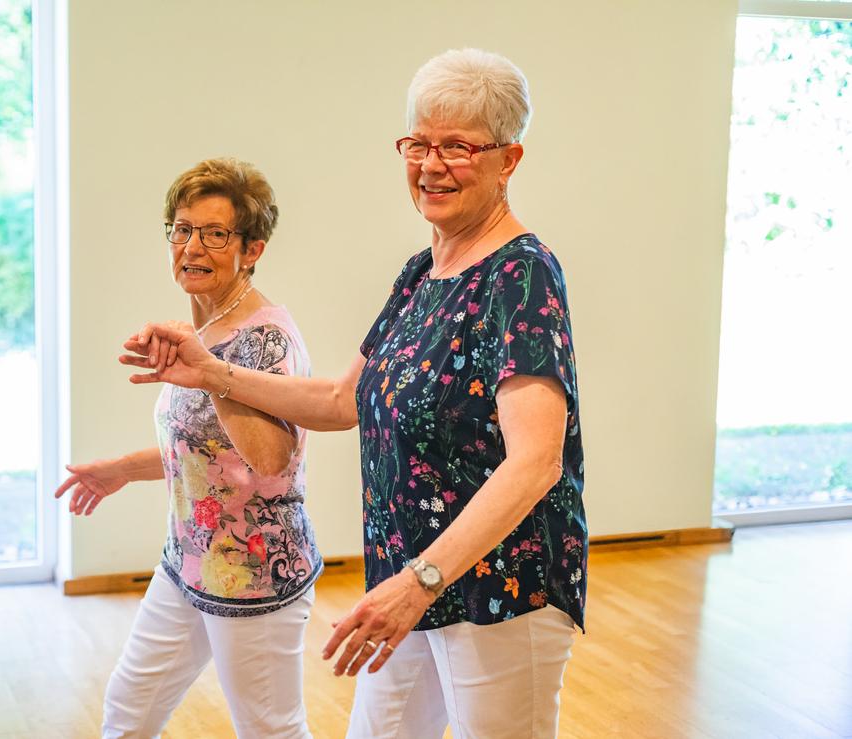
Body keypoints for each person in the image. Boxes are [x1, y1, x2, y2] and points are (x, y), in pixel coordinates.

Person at [123, 48, 587, 738]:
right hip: (408, 580)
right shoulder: (420, 272)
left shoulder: (520, 276)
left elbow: (535, 461)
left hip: (499, 591)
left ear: (507, 159)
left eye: (456, 147)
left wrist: (420, 581)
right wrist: (211, 371)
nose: (431, 165)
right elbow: (344, 400)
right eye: (418, 143)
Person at [56, 158, 322, 738]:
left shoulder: (266, 339)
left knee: (271, 729)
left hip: (256, 575)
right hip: (189, 563)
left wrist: (208, 376)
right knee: (129, 705)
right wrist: (123, 469)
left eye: (214, 233)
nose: (192, 246)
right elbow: (209, 452)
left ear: (251, 250)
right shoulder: (202, 329)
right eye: (181, 229)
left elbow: (272, 461)